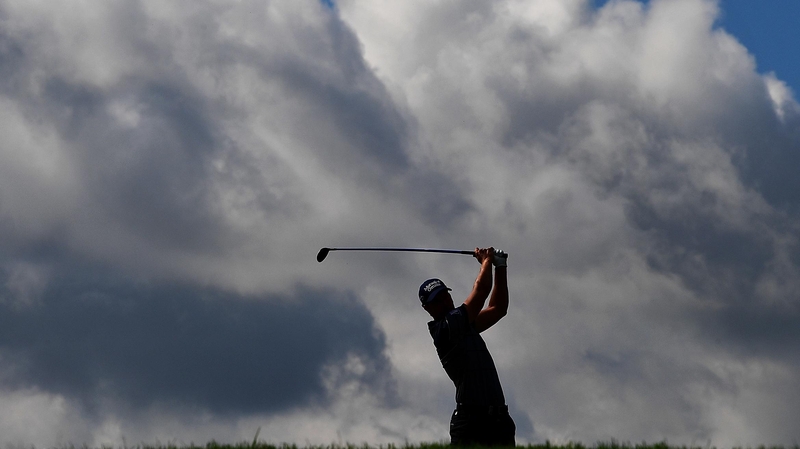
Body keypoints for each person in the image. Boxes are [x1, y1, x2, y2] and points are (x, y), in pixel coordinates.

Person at [419, 247, 515, 446]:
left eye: (445, 295)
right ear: (427, 308)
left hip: (498, 420)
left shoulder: (465, 324)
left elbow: (498, 308)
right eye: (437, 301)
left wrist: (501, 266)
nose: (445, 301)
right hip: (471, 422)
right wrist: (486, 260)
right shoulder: (444, 329)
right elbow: (480, 293)